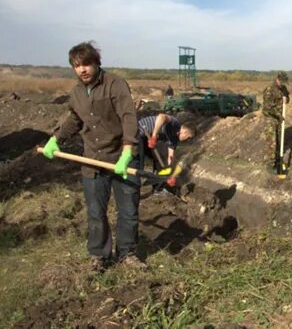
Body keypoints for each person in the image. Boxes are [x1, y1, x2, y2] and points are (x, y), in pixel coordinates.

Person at [41, 41, 143, 271]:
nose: (82, 70)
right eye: (77, 66)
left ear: (96, 63)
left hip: (121, 156)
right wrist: (56, 139)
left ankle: (127, 254)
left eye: (86, 64)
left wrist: (128, 151)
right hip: (93, 160)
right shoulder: (77, 92)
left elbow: (128, 117)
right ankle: (99, 255)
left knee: (128, 210)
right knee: (96, 212)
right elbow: (75, 119)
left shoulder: (115, 85)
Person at [138, 113, 196, 192]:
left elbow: (170, 157)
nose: (188, 140)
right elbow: (161, 117)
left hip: (149, 138)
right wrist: (154, 136)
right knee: (139, 161)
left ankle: (157, 188)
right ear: (185, 132)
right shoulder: (175, 124)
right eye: (189, 138)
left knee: (161, 162)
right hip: (140, 131)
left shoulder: (174, 140)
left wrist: (171, 175)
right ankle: (133, 189)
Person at [262, 71, 290, 171]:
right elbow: (267, 107)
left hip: (280, 118)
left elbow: (287, 100)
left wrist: (286, 99)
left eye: (284, 82)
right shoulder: (269, 90)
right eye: (281, 82)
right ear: (277, 79)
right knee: (272, 141)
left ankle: (279, 161)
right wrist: (279, 115)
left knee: (280, 140)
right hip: (270, 118)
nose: (283, 84)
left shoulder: (283, 89)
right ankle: (270, 165)